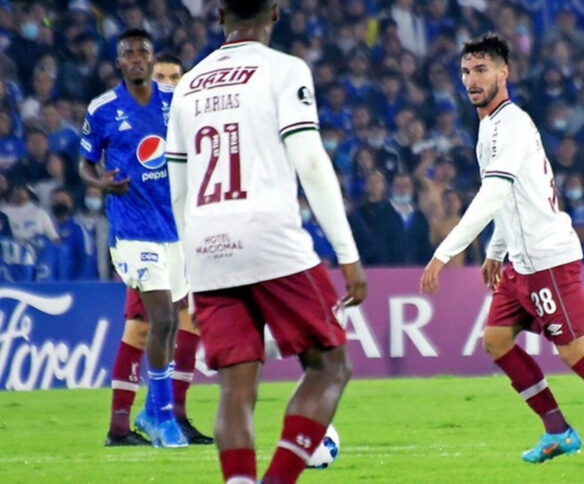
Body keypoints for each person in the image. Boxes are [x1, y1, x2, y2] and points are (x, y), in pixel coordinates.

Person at [420, 34, 584, 466]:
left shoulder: (511, 124)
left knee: (575, 351)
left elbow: (493, 194)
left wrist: (445, 252)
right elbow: (507, 196)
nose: (471, 80)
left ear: (503, 73)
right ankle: (558, 431)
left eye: (481, 70)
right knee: (496, 341)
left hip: (546, 259)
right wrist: (496, 250)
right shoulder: (489, 126)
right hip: (519, 258)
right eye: (465, 71)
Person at [165, 2, 367, 483]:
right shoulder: (283, 70)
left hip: (205, 242)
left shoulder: (187, 85)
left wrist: (190, 266)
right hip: (270, 238)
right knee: (329, 366)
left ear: (219, 16)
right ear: (274, 13)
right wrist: (349, 256)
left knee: (236, 384)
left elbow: (177, 187)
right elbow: (312, 163)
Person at [78, 28, 189, 448]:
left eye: (144, 51)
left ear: (151, 57)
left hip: (174, 228)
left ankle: (149, 412)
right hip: (131, 229)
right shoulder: (103, 109)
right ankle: (161, 418)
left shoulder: (173, 102)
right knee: (161, 319)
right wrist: (101, 181)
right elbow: (85, 163)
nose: (138, 58)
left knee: (171, 323)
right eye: (130, 53)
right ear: (120, 62)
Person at [121, 47, 213, 445]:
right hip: (147, 239)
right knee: (140, 330)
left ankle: (175, 414)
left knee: (190, 320)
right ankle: (121, 424)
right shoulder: (134, 125)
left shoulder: (189, 123)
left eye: (177, 77)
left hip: (186, 238)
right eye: (163, 77)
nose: (170, 84)